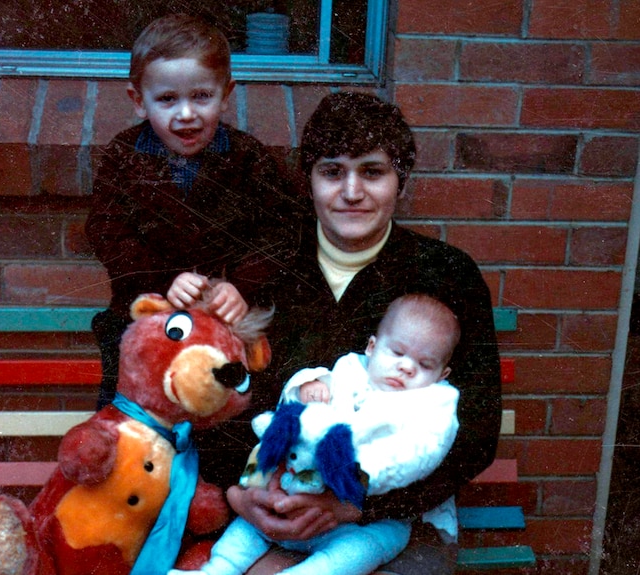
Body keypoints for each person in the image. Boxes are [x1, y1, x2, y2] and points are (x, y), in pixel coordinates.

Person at [207, 91, 503, 575]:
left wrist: (353, 507)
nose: (351, 191)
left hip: (396, 518)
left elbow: (475, 432)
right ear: (309, 180)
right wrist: (239, 494)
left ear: (400, 181)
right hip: (262, 499)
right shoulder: (266, 269)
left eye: (372, 171)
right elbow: (218, 392)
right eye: (332, 171)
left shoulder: (446, 276)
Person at [86, 13, 302, 410]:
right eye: (167, 99)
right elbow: (107, 233)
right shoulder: (123, 157)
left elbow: (283, 231)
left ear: (225, 94)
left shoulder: (248, 158)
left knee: (230, 415)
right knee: (131, 421)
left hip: (226, 324)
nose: (186, 114)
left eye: (201, 96)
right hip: (144, 319)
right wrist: (165, 279)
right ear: (138, 101)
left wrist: (242, 286)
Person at [171, 294, 462, 575]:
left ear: (441, 375)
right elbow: (298, 403)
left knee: (369, 546)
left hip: (364, 518)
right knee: (247, 531)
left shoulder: (434, 406)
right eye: (397, 352)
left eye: (424, 365)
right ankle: (217, 569)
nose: (406, 367)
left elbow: (422, 451)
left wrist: (366, 474)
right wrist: (307, 385)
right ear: (372, 347)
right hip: (294, 493)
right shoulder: (351, 368)